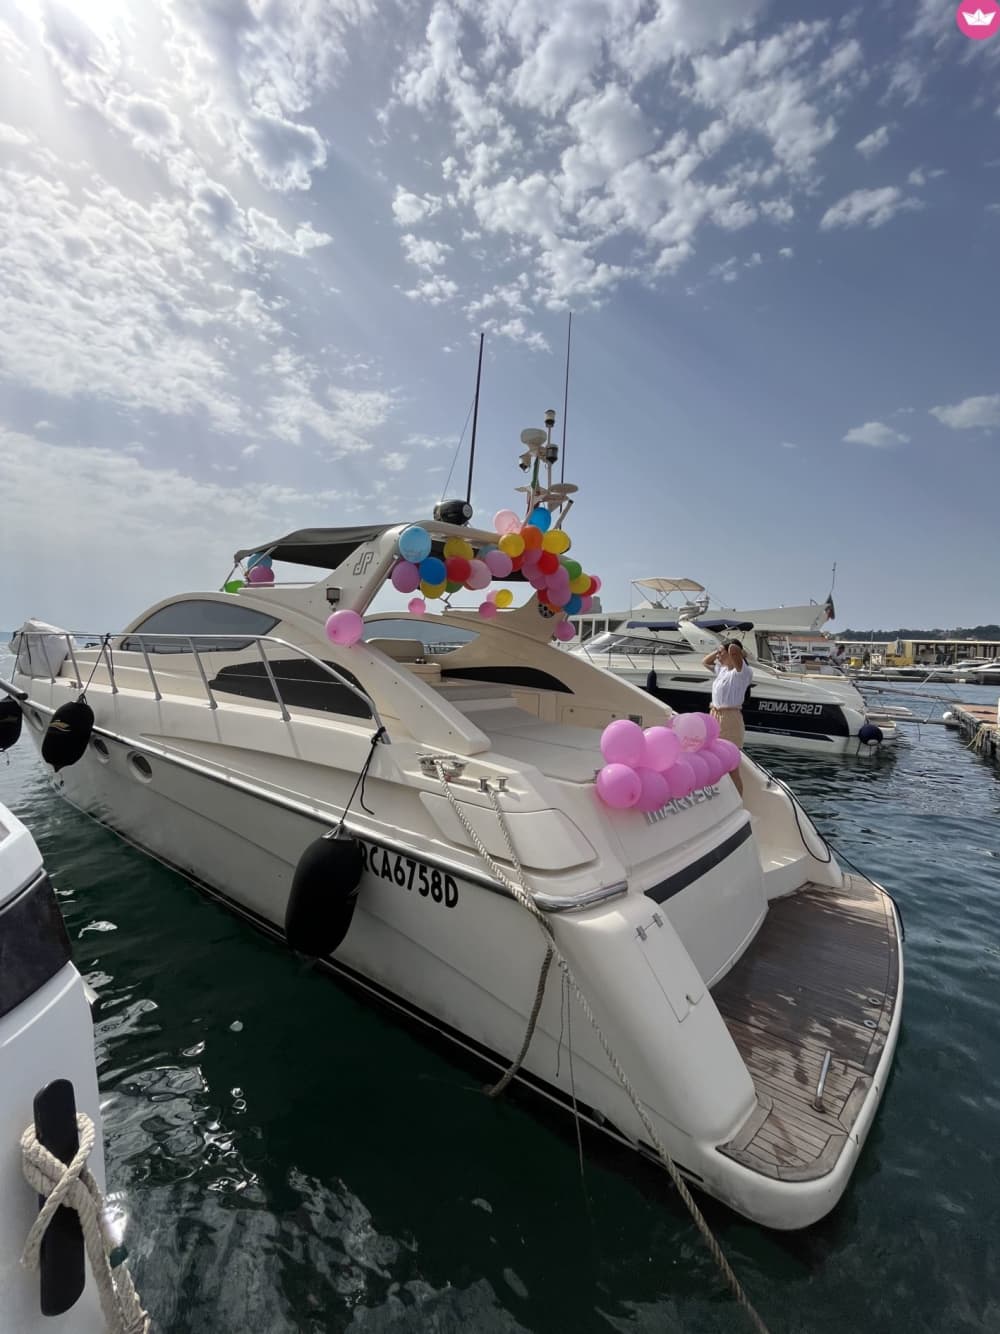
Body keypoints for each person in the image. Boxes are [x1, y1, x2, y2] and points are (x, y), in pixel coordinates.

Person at [702, 639, 753, 796]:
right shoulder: (722, 670)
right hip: (714, 715)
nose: (717, 656)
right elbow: (705, 661)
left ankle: (738, 800)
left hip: (730, 718)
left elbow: (734, 648)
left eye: (720, 653)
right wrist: (718, 650)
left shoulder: (742, 672)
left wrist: (736, 651)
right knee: (711, 757)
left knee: (732, 766)